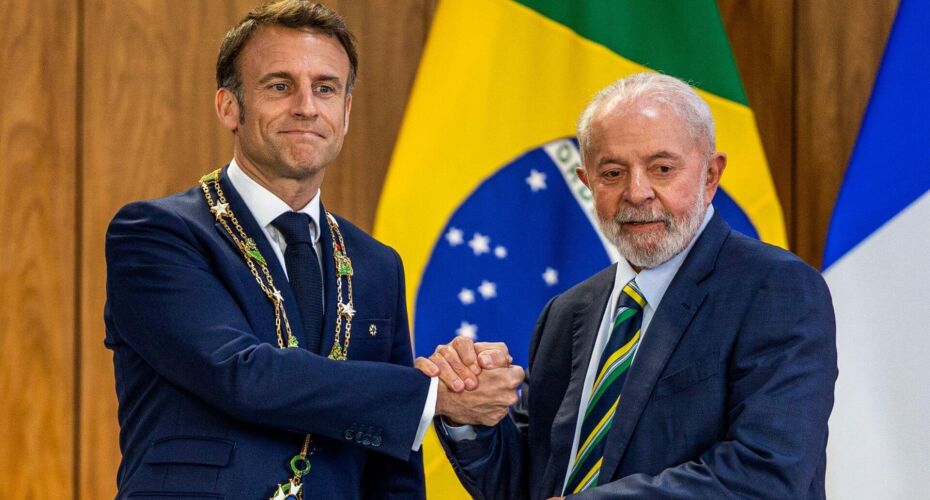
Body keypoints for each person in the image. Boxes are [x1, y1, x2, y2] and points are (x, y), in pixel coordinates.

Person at [103, 1, 522, 498]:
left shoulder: (376, 265)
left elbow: (391, 466)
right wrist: (435, 395)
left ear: (344, 113)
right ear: (228, 107)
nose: (306, 106)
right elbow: (242, 374)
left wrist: (442, 394)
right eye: (280, 86)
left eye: (325, 89)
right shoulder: (156, 234)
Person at [418, 72, 838, 499]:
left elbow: (765, 474)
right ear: (587, 184)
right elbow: (532, 484)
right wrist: (466, 414)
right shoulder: (567, 313)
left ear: (710, 176)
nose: (637, 193)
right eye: (613, 173)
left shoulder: (777, 289)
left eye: (662, 168)